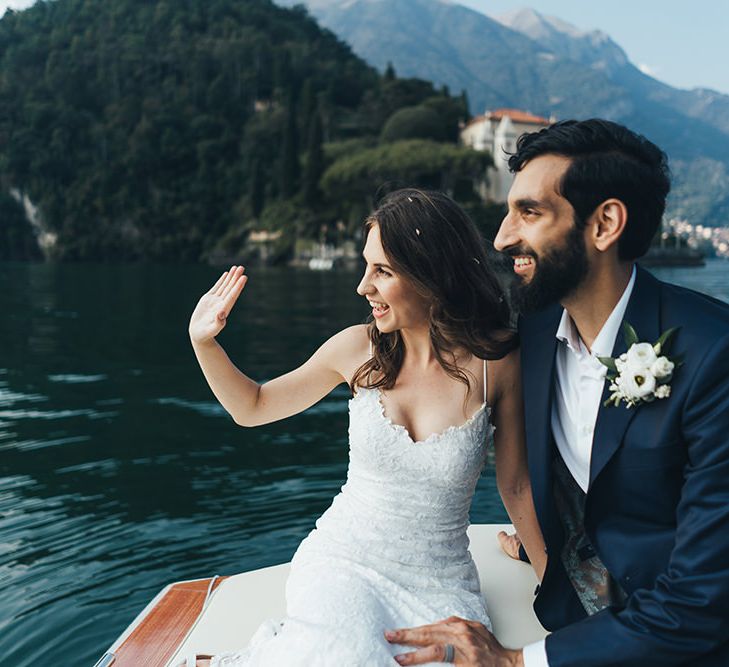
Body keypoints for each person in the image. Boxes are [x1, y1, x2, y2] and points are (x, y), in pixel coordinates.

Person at [386, 119, 729, 666]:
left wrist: (515, 662)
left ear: (605, 224)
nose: (500, 237)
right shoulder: (535, 334)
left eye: (529, 212)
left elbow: (702, 601)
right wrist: (552, 541)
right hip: (571, 613)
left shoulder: (715, 356)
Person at [182, 189, 546, 666]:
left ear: (431, 275)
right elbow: (253, 406)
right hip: (343, 560)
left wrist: (554, 577)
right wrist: (203, 343)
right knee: (349, 659)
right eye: (366, 266)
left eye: (382, 271)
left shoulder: (495, 362)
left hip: (439, 578)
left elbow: (516, 486)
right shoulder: (356, 350)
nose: (362, 287)